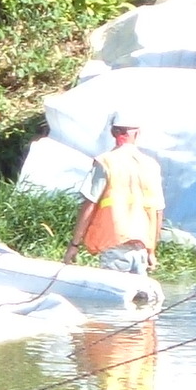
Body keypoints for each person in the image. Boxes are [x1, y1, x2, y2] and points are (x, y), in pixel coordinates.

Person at [64, 109, 166, 276]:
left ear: (113, 132)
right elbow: (158, 212)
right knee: (139, 299)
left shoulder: (106, 162)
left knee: (115, 299)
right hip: (141, 248)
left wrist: (74, 244)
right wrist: (151, 251)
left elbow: (90, 204)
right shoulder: (151, 165)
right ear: (138, 134)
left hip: (114, 245)